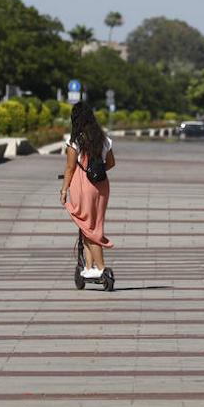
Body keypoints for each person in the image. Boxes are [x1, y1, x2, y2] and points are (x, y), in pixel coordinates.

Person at [60, 102, 115, 278]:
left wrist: (63, 191)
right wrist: (96, 171)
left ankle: (101, 268)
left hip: (83, 187)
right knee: (93, 225)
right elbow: (111, 163)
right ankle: (89, 267)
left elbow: (69, 169)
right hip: (102, 186)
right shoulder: (104, 139)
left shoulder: (75, 141)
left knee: (89, 228)